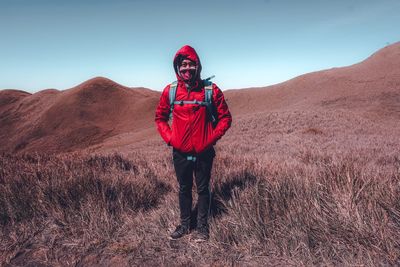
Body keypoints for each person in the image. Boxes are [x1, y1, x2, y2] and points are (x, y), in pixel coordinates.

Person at [155, 45, 232, 241]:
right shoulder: (170, 91)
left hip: (204, 152)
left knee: (203, 189)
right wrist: (170, 138)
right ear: (178, 68)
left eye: (190, 64)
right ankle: (184, 225)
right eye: (183, 65)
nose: (187, 68)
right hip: (180, 152)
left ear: (197, 66)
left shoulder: (210, 91)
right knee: (184, 188)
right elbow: (160, 118)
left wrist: (211, 138)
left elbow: (225, 118)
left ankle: (202, 228)